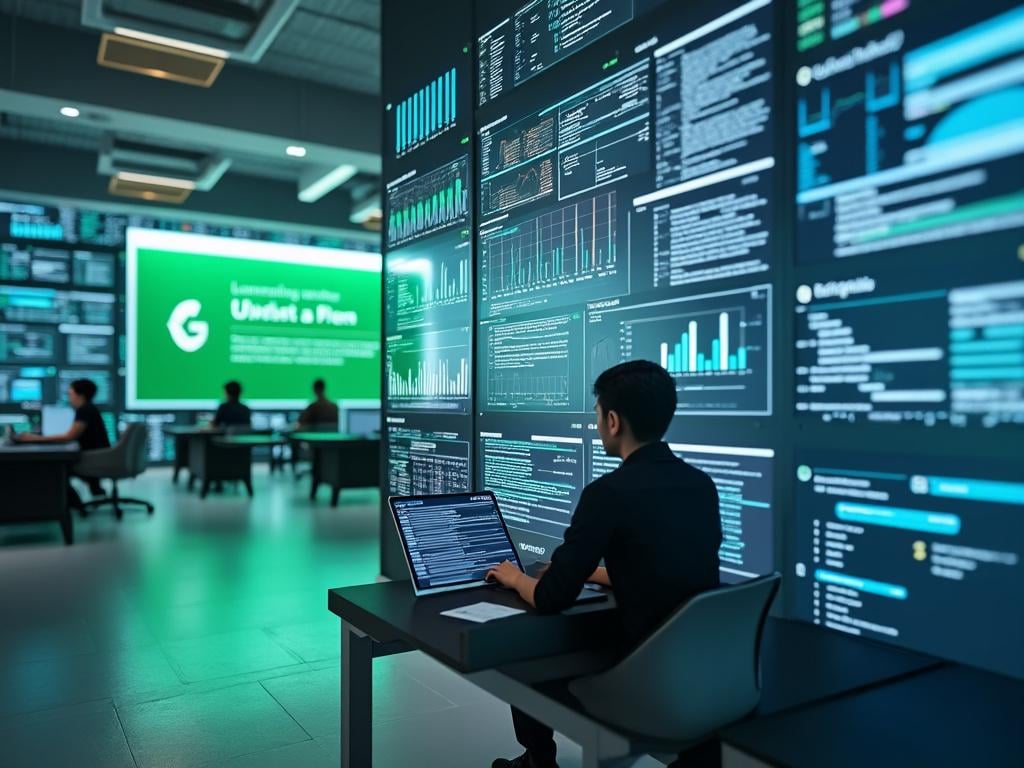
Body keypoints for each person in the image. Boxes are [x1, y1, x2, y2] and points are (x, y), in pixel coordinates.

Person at [486, 360, 723, 768]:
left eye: (597, 416)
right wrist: (598, 574)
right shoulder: (700, 485)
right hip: (701, 674)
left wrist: (514, 577)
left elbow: (550, 597)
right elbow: (661, 564)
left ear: (613, 421)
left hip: (641, 679)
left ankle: (537, 760)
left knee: (518, 658)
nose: (597, 425)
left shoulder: (607, 494)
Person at [15, 378, 111, 509]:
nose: (69, 398)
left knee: (55, 470)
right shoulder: (89, 409)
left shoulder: (84, 410)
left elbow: (69, 436)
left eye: (70, 394)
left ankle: (71, 505)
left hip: (91, 458)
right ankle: (82, 496)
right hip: (97, 455)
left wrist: (32, 438)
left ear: (80, 395)